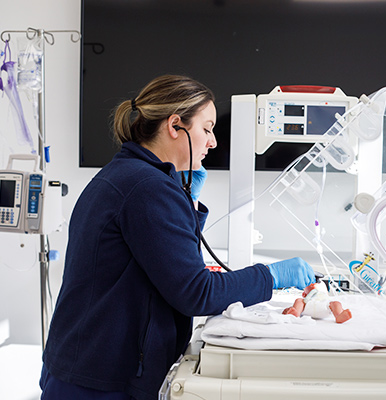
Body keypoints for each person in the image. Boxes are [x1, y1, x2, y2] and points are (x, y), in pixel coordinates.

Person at [40, 75, 315, 400]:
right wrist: (272, 276)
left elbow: (163, 256)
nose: (212, 142)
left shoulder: (127, 174)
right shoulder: (147, 188)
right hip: (101, 379)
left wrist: (186, 200)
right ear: (175, 126)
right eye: (207, 128)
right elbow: (196, 292)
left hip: (84, 365)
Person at [283, 282, 352, 323]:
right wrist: (288, 309)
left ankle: (339, 315)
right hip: (307, 306)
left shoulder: (327, 300)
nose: (314, 285)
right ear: (304, 294)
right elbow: (301, 302)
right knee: (299, 300)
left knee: (336, 303)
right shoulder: (305, 300)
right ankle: (295, 313)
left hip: (324, 307)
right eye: (311, 286)